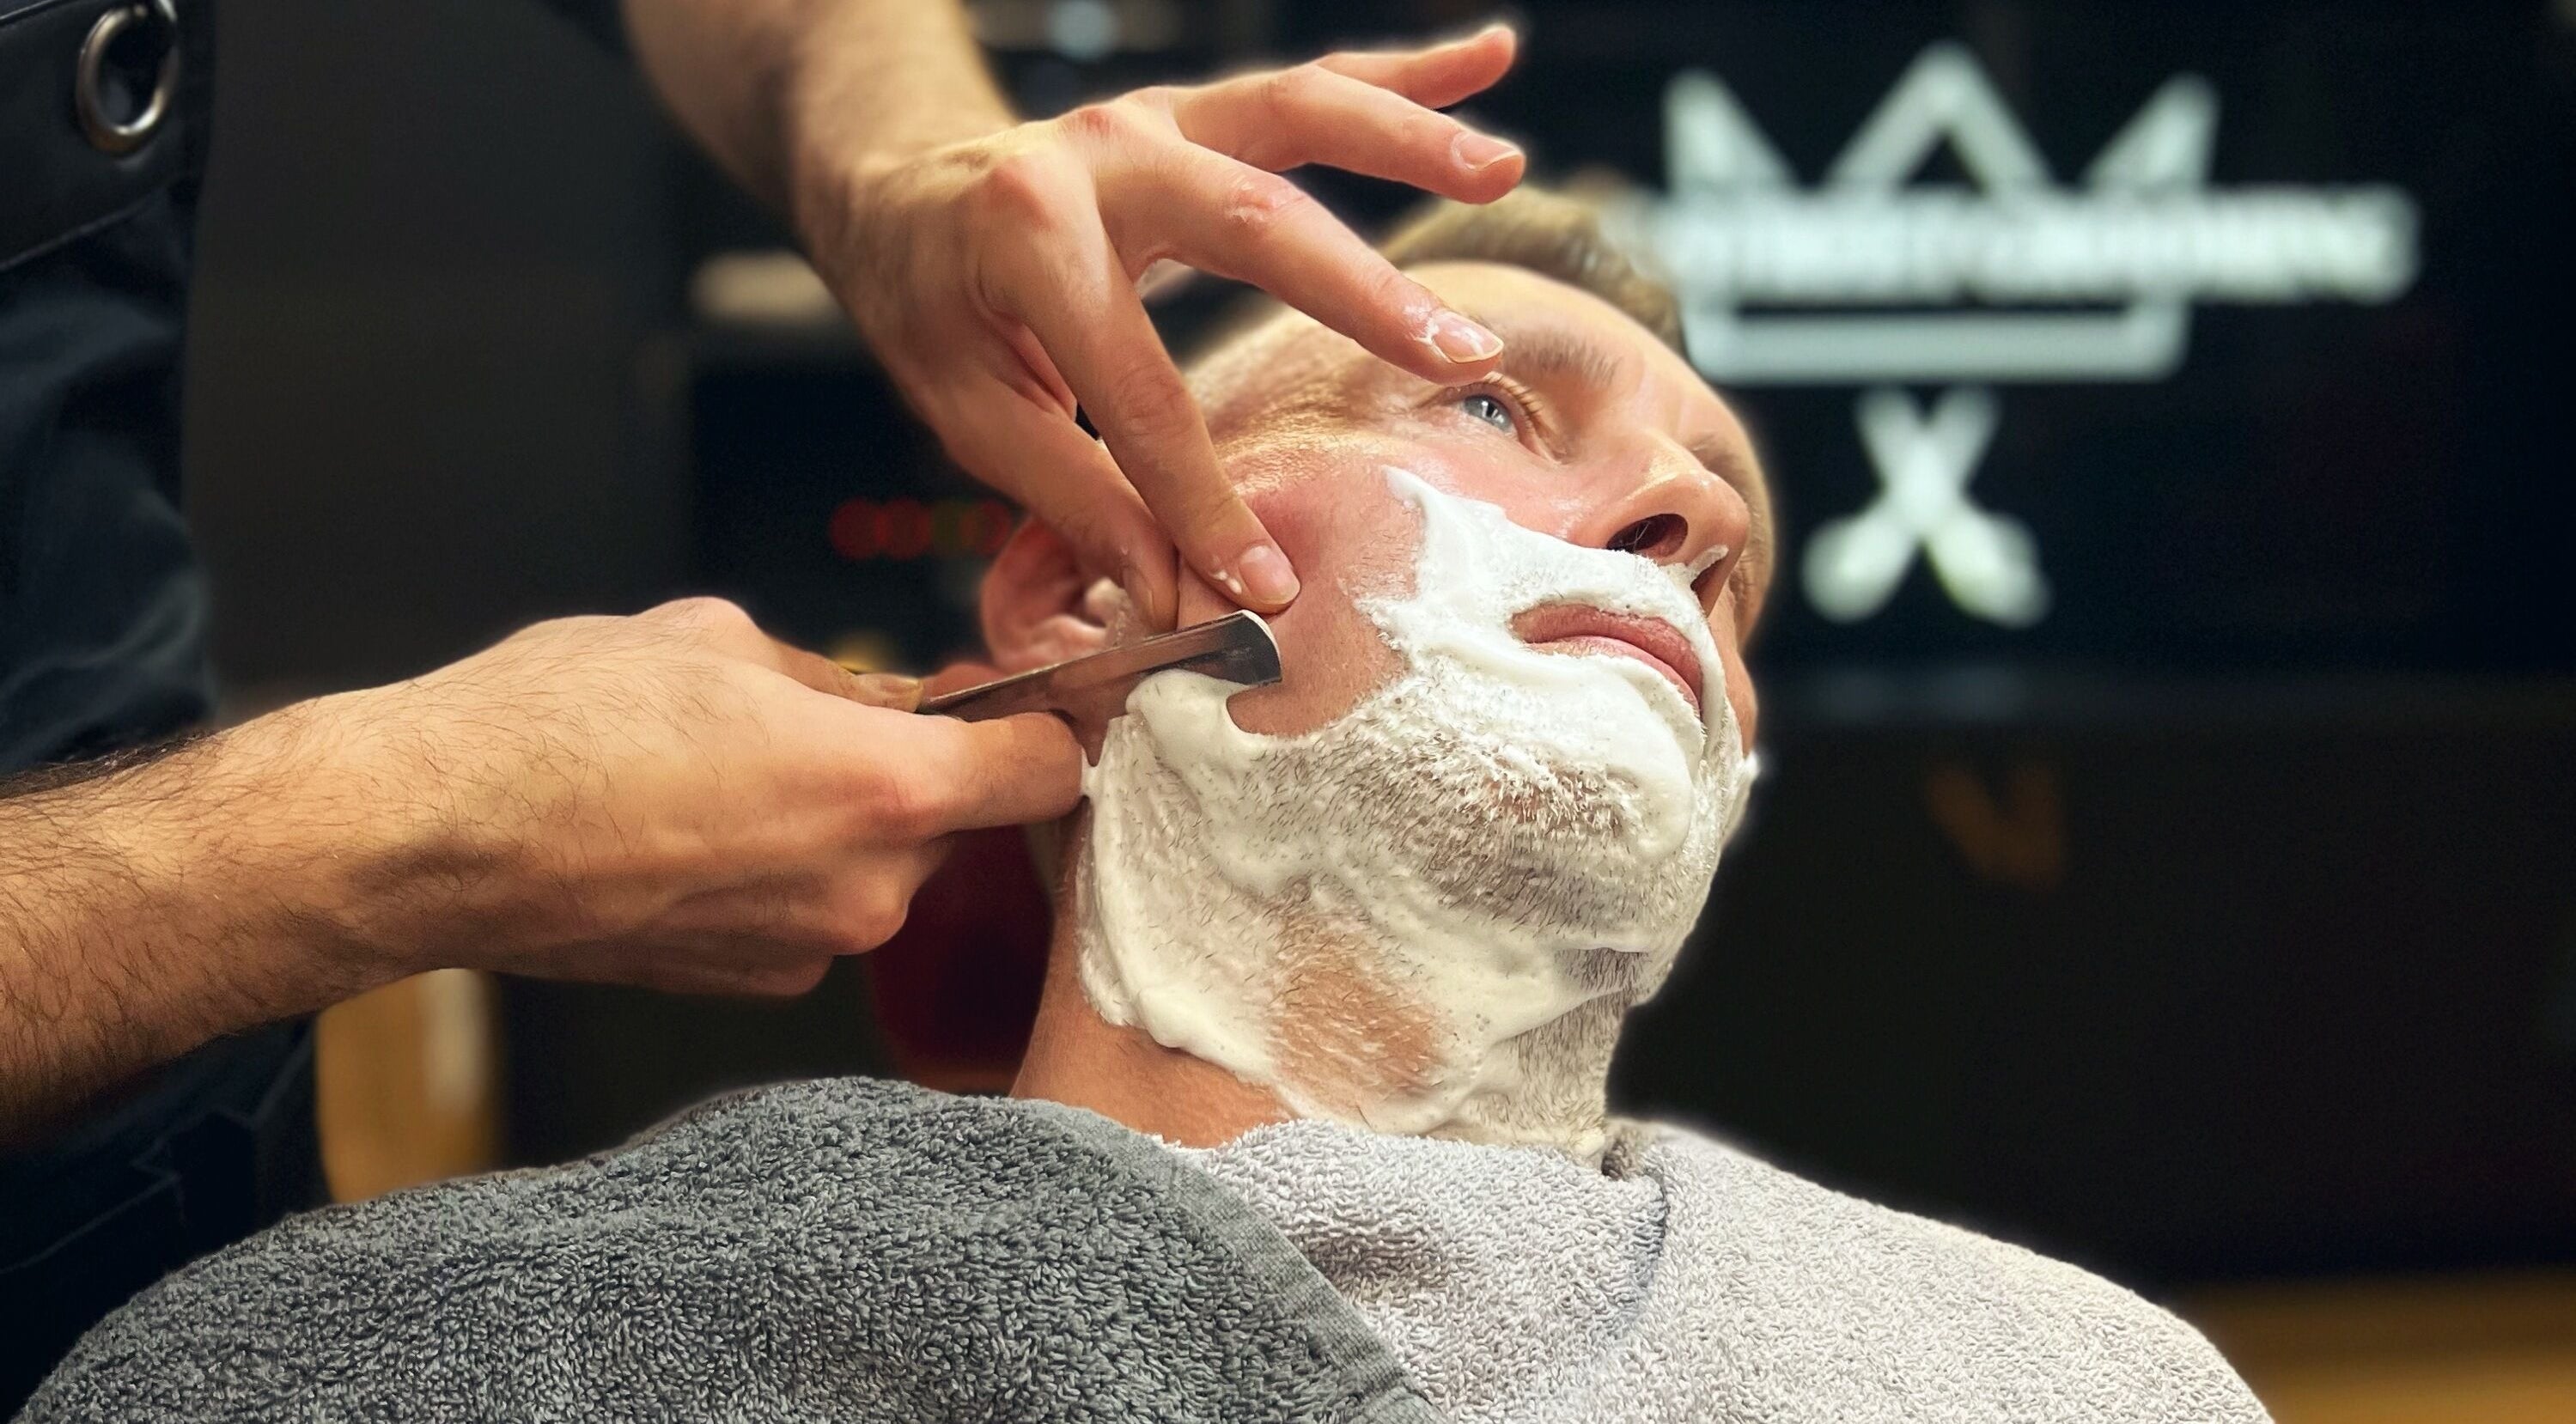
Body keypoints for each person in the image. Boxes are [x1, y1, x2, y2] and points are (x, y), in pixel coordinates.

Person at [21, 192, 2270, 1424]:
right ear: (1084, 597)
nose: (1690, 517)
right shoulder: (393, 1372)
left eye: (1735, 551)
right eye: (1494, 406)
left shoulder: (2072, 1386)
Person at [0, 0, 1532, 1403]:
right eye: (1489, 406)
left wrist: (903, 168)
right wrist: (404, 825)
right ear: (1072, 597)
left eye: (1668, 524)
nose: (1653, 516)